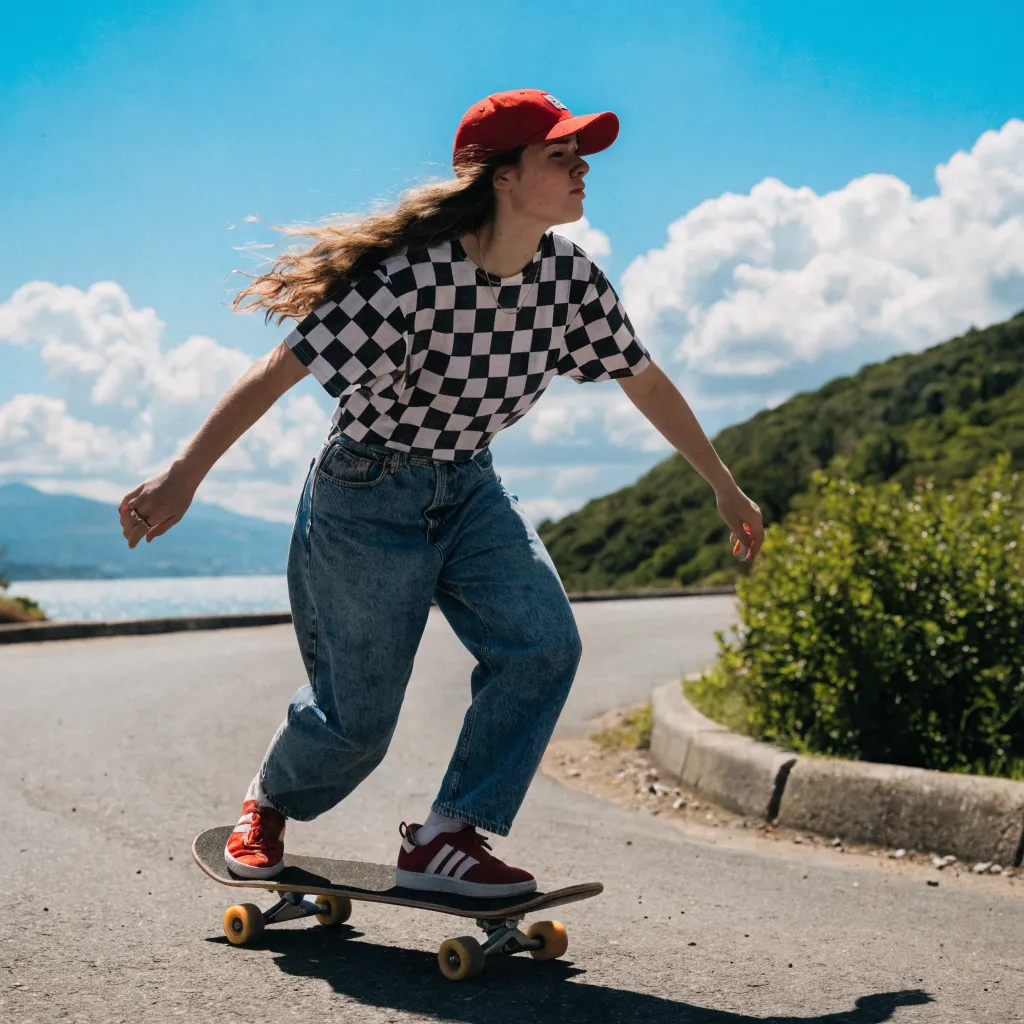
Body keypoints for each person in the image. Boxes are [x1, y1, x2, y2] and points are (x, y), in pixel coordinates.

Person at [117, 88, 764, 898]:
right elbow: (281, 370)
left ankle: (446, 836)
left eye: (581, 152)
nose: (583, 166)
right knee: (357, 722)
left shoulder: (572, 281)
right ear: (500, 177)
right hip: (366, 494)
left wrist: (725, 486)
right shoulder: (408, 276)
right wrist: (184, 475)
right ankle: (269, 803)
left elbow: (646, 381)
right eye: (560, 154)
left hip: (470, 486)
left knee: (544, 644)